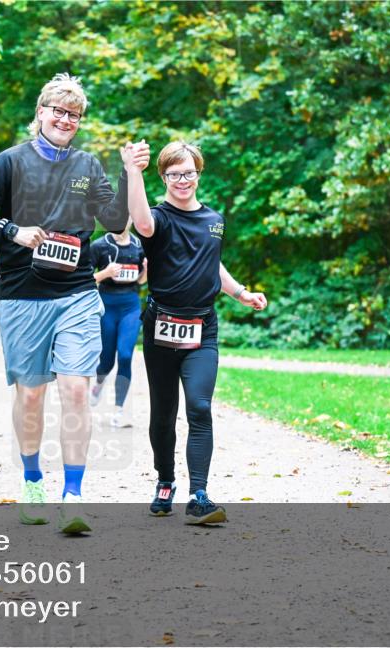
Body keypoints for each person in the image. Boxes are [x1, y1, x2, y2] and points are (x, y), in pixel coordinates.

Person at [0, 73, 149, 533]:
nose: (65, 119)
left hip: (77, 293)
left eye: (73, 114)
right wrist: (12, 231)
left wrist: (131, 173)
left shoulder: (86, 165)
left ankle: (74, 495)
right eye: (57, 111)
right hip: (23, 296)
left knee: (77, 390)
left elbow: (117, 222)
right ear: (41, 113)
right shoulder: (10, 162)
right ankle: (32, 481)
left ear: (79, 122)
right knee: (31, 395)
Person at [124, 139, 267, 525]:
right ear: (164, 177)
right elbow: (140, 223)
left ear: (198, 173)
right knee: (164, 413)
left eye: (188, 172)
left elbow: (212, 266)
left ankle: (199, 494)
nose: (181, 180)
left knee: (200, 407)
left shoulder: (214, 220)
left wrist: (241, 293)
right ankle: (165, 481)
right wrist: (133, 171)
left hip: (203, 328)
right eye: (173, 174)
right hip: (161, 327)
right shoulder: (159, 218)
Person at [90, 220, 147, 428]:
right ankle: (98, 383)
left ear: (132, 219)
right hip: (107, 305)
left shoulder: (139, 246)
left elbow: (140, 281)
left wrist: (146, 271)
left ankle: (120, 410)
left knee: (125, 355)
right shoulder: (99, 246)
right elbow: (85, 279)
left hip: (130, 305)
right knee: (106, 361)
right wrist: (105, 273)